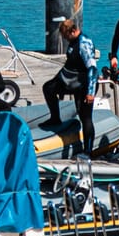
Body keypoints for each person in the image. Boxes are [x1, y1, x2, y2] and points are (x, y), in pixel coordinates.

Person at [40, 18, 99, 156]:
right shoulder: (73, 41)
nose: (65, 39)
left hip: (85, 84)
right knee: (48, 88)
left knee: (85, 117)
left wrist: (90, 92)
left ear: (73, 31)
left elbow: (92, 69)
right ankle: (55, 118)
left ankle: (88, 151)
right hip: (70, 80)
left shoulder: (84, 43)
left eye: (66, 36)